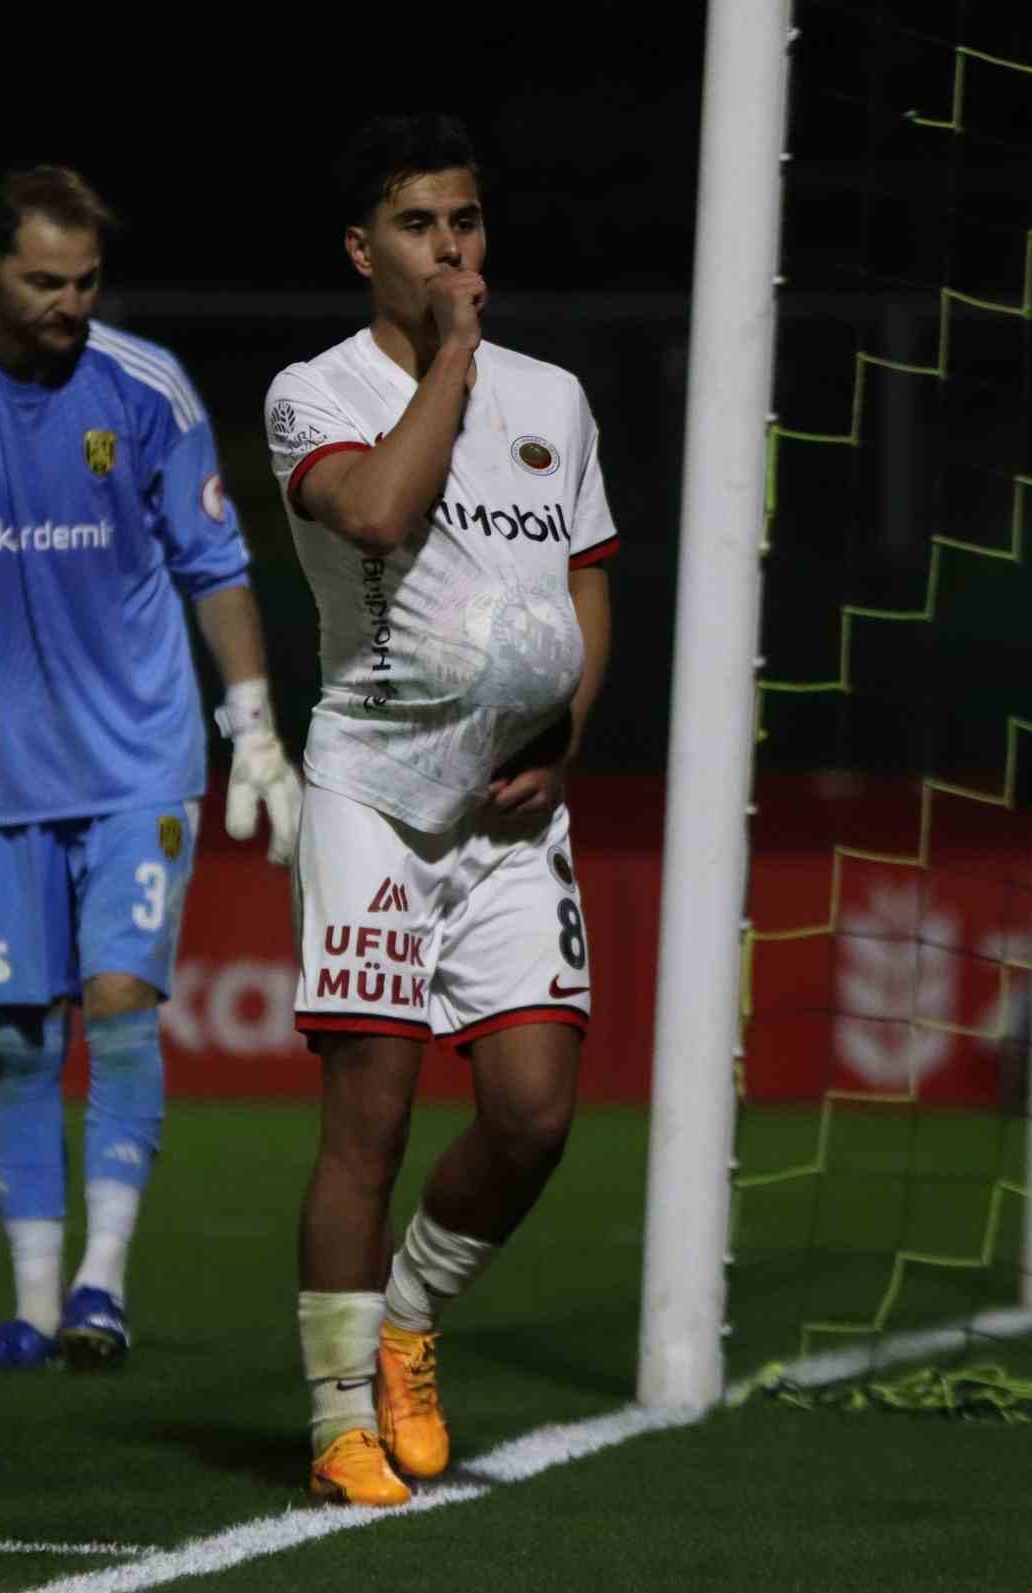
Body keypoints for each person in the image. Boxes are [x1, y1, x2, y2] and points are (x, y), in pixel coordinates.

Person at [0, 165, 301, 1372]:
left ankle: (101, 1287)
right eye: (42, 282)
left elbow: (214, 562)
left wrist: (255, 726)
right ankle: (31, 1312)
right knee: (24, 1038)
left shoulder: (144, 391)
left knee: (122, 1003)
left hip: (139, 762)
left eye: (84, 283)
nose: (68, 305)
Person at [264, 114, 616, 1505]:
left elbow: (588, 576)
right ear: (366, 251)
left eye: (465, 221)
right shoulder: (319, 391)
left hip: (513, 809)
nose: (451, 247)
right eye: (420, 226)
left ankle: (409, 1318)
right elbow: (374, 517)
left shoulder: (559, 399)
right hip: (376, 796)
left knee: (533, 1115)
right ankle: (338, 1415)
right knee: (374, 1114)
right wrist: (453, 358)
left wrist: (571, 732)